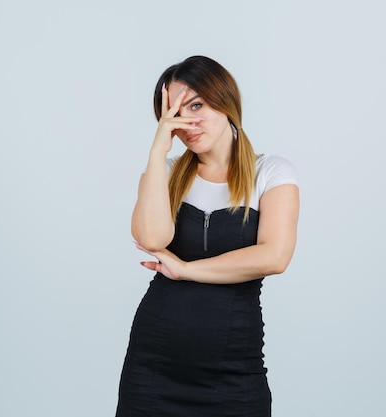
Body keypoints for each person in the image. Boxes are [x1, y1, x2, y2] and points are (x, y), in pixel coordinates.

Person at [115, 56, 300, 417]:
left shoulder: (271, 173)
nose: (186, 122)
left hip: (232, 370)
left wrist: (186, 269)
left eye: (196, 105)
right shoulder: (164, 174)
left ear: (225, 100)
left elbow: (274, 257)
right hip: (153, 367)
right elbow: (153, 238)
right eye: (173, 114)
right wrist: (157, 152)